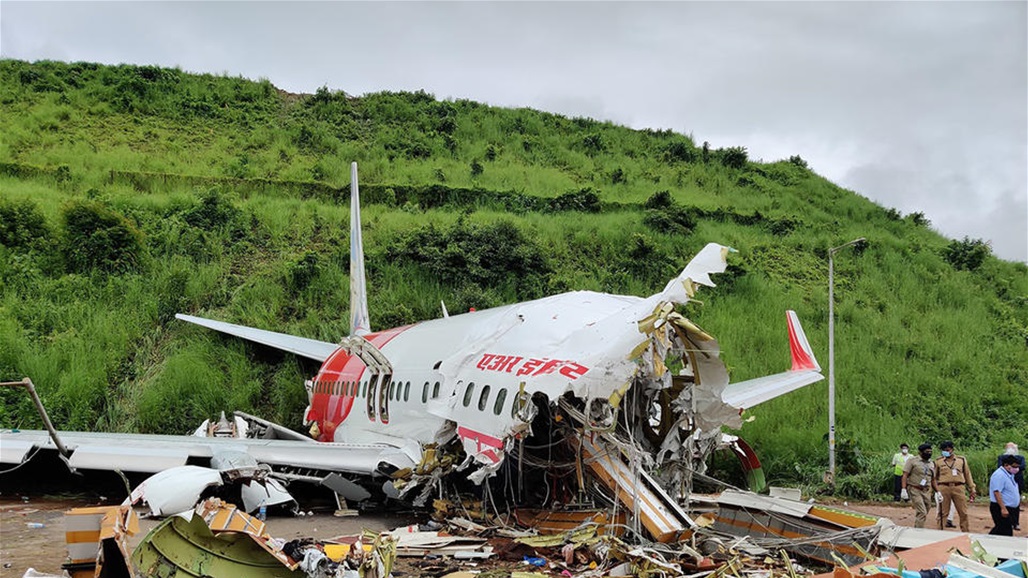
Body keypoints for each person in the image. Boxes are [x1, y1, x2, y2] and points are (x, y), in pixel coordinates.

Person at [933, 441, 975, 532]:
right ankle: (940, 531)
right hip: (944, 487)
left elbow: (967, 474)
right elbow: (934, 478)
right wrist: (936, 491)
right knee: (943, 512)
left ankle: (965, 531)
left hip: (958, 487)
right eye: (943, 450)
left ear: (952, 449)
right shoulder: (938, 461)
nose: (946, 452)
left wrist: (972, 488)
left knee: (963, 512)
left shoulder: (961, 460)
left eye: (947, 450)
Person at [901, 443, 938, 528]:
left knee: (927, 508)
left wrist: (938, 491)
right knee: (922, 512)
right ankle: (918, 531)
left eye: (930, 451)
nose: (929, 453)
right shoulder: (912, 460)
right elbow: (905, 475)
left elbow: (933, 479)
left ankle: (917, 526)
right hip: (915, 489)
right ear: (920, 452)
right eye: (927, 451)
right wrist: (903, 489)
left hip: (926, 490)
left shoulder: (931, 463)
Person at [988, 455, 1020, 536]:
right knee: (1005, 530)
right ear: (1006, 465)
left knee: (1001, 529)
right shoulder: (999, 475)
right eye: (1013, 466)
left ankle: (986, 541)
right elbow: (997, 492)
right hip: (1000, 507)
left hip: (1009, 507)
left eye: (1017, 467)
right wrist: (1003, 508)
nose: (1016, 469)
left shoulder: (1009, 474)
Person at [997, 442, 1025, 531]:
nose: (1011, 449)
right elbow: (999, 466)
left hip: (1017, 481)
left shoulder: (1020, 458)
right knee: (1005, 502)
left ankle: (1016, 523)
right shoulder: (1002, 457)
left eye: (1012, 447)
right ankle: (1006, 522)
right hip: (1005, 483)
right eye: (1009, 447)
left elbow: (1023, 466)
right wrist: (1013, 467)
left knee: (1016, 503)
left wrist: (1012, 468)